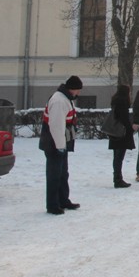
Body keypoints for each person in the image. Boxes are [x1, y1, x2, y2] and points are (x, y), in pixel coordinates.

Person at [39, 75, 83, 215]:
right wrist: (60, 146)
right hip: (54, 143)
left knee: (63, 173)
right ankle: (52, 204)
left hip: (60, 142)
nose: (78, 93)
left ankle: (63, 200)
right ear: (72, 89)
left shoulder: (65, 99)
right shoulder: (59, 101)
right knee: (54, 175)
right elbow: (56, 126)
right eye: (78, 90)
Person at [108, 84, 135, 188]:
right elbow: (124, 118)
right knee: (119, 157)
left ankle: (117, 178)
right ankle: (118, 179)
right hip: (121, 133)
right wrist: (130, 129)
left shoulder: (115, 101)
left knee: (116, 157)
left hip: (114, 132)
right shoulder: (123, 102)